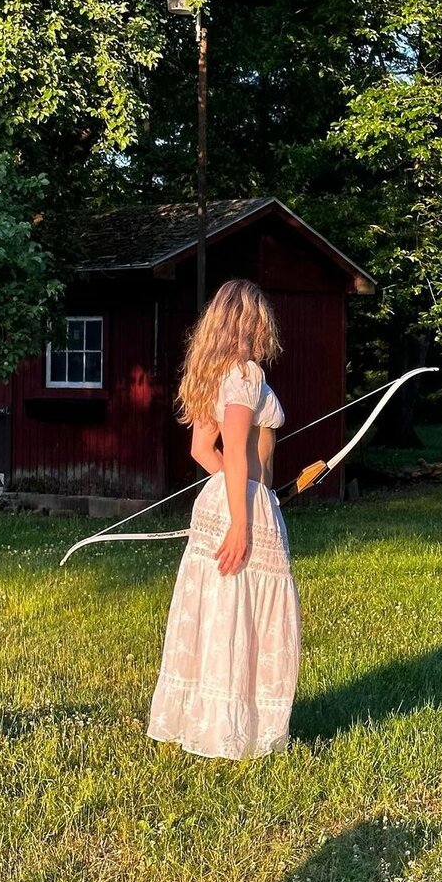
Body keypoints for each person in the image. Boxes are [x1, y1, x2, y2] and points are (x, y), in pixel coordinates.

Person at [146, 278, 301, 759]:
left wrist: (234, 494)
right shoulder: (246, 374)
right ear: (250, 322)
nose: (262, 330)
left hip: (223, 498)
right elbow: (232, 448)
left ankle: (208, 723)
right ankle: (240, 733)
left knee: (221, 612)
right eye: (258, 320)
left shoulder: (213, 372)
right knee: (243, 614)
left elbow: (201, 449)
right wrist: (243, 515)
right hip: (240, 507)